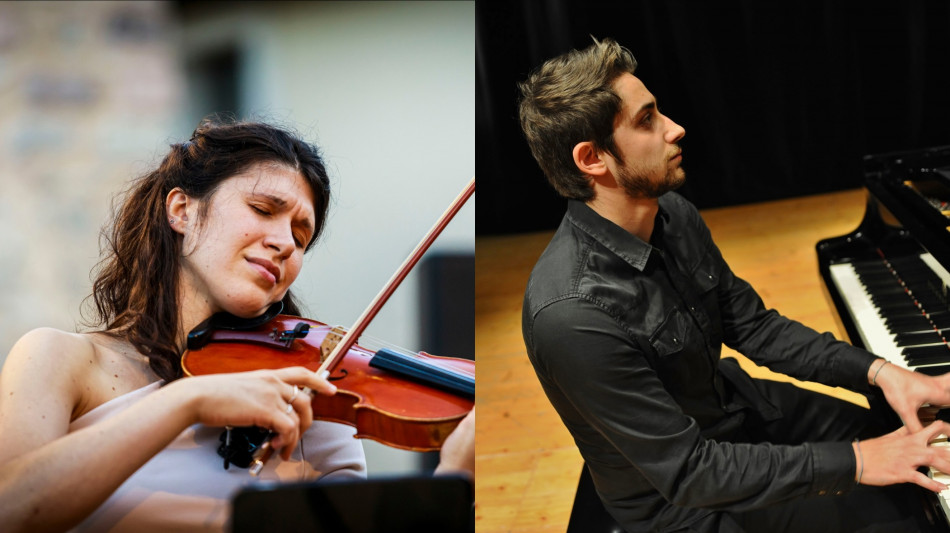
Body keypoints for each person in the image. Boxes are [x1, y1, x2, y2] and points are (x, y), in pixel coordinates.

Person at [518, 37, 950, 532]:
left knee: (916, 442)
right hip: (682, 502)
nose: (675, 129)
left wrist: (881, 372)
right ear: (592, 159)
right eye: (646, 120)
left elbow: (756, 328)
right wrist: (857, 463)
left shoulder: (672, 213)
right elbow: (689, 471)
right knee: (903, 517)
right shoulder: (572, 316)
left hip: (738, 411)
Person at [0, 118, 474, 533]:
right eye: (264, 210)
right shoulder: (60, 359)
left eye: (301, 235)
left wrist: (453, 484)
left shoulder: (310, 401)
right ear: (182, 210)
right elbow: (12, 511)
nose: (285, 243)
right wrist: (188, 401)